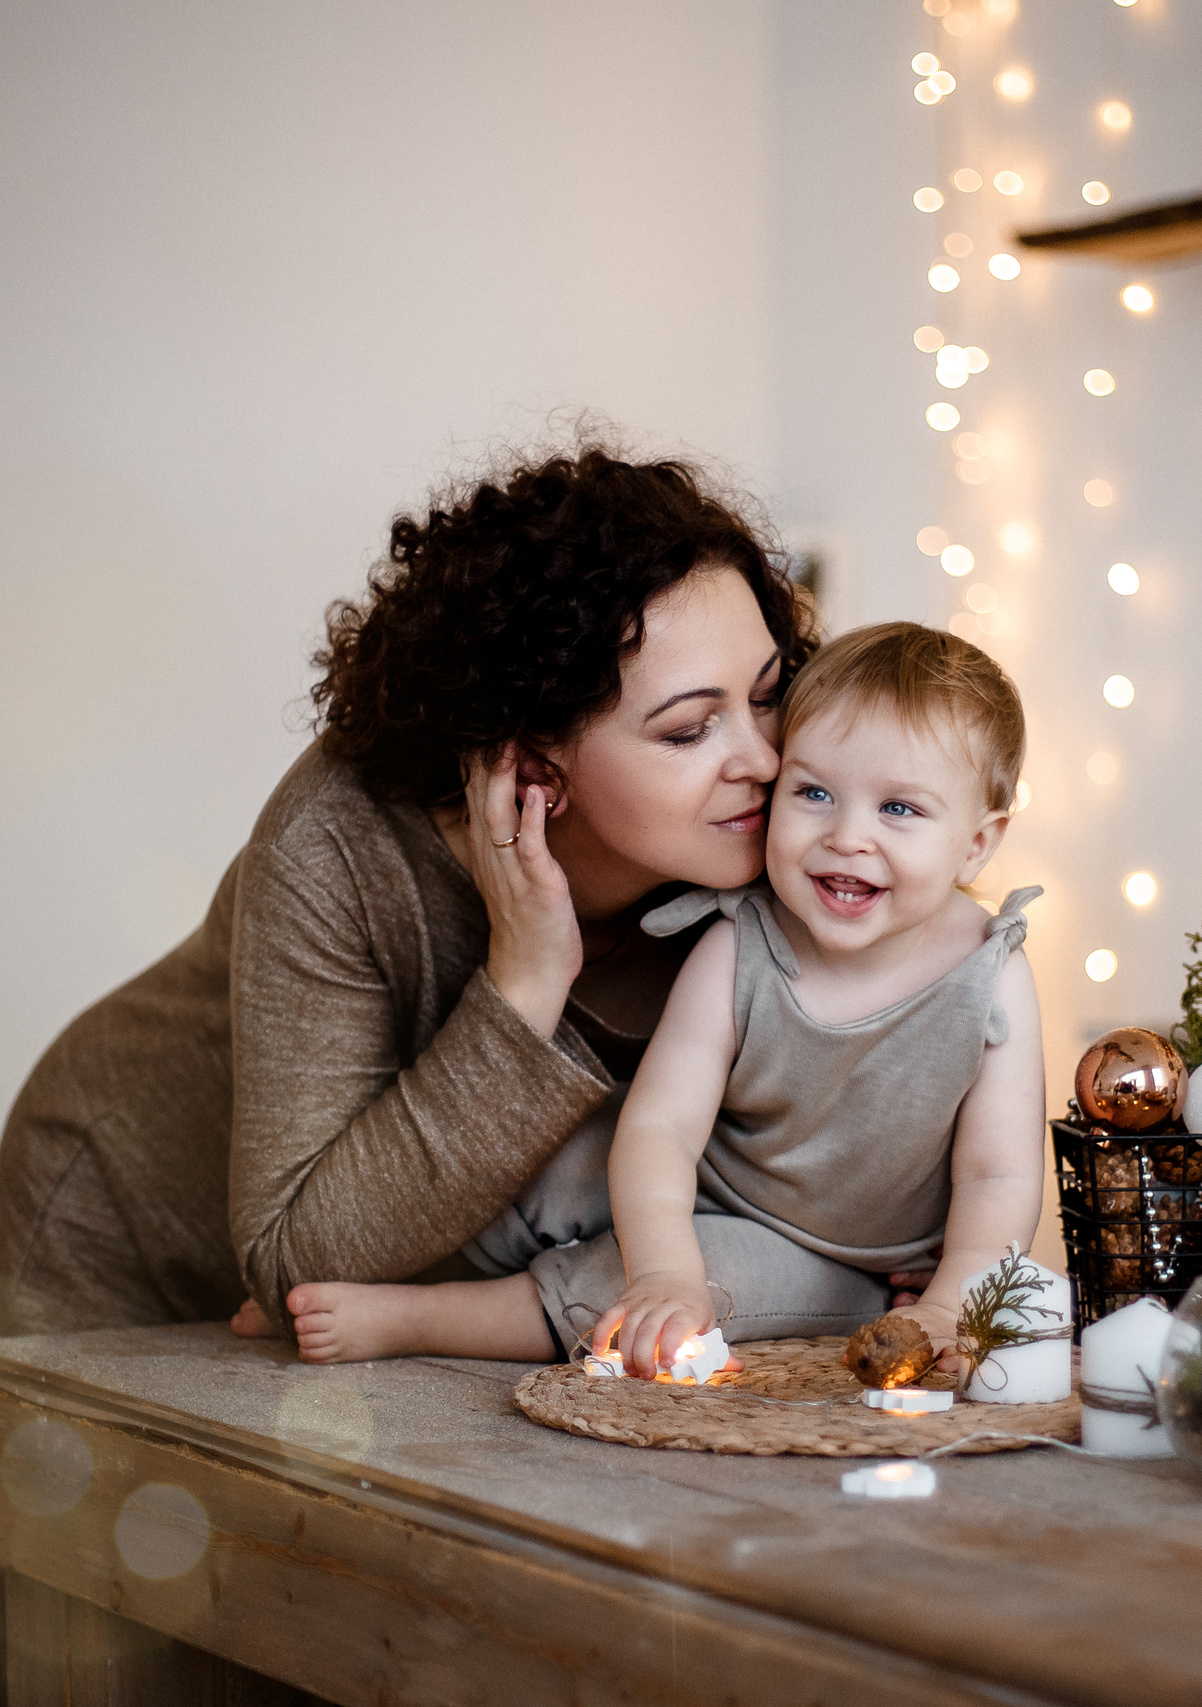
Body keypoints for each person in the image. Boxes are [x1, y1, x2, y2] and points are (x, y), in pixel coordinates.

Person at [0, 444, 888, 1344]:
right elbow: (294, 1261)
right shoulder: (335, 842)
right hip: (118, 1238)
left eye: (769, 696)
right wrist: (527, 981)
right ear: (534, 762)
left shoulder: (788, 826)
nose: (765, 760)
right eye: (690, 729)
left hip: (400, 1301)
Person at [280, 622, 1045, 1372]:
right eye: (813, 791)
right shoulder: (741, 941)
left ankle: (421, 1317)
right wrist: (662, 1262)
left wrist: (949, 1305)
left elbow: (997, 1178)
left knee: (688, 1286)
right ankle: (368, 1277)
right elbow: (661, 1127)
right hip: (710, 1178)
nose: (847, 836)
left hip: (839, 1260)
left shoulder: (987, 973)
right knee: (559, 1157)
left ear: (978, 842)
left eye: (899, 809)